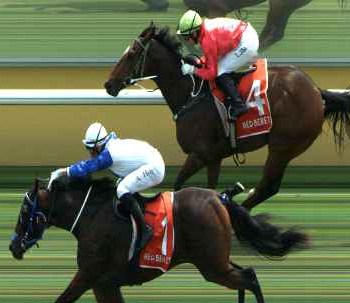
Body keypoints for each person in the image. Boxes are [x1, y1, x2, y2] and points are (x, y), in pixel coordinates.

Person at [48, 123, 166, 271]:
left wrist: (63, 171)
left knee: (122, 189)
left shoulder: (110, 154)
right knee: (121, 184)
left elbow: (88, 167)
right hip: (151, 161)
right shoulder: (110, 146)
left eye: (91, 148)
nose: (90, 151)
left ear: (99, 144)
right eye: (87, 148)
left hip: (155, 167)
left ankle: (145, 230)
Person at [176, 9, 260, 119]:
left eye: (187, 37)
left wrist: (193, 70)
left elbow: (212, 74)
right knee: (221, 66)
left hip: (247, 42)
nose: (187, 40)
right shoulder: (205, 30)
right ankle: (232, 84)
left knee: (220, 71)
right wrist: (201, 62)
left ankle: (239, 105)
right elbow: (212, 57)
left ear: (194, 33)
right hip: (244, 35)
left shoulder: (207, 40)